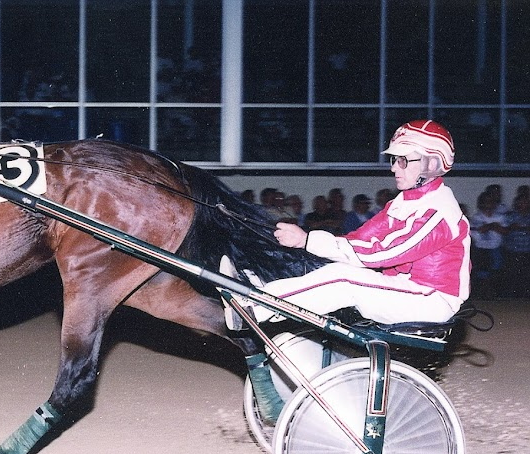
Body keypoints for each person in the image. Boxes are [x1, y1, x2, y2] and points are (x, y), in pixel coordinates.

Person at [226, 119, 470, 328]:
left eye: (404, 160)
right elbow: (361, 238)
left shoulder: (438, 212)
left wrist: (307, 240)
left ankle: (254, 310)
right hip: (409, 289)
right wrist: (309, 245)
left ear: (431, 163)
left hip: (432, 299)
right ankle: (261, 291)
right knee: (332, 267)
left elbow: (380, 253)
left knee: (344, 279)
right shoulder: (403, 202)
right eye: (394, 159)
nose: (394, 167)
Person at [469, 190, 506, 299]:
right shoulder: (476, 217)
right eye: (485, 202)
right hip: (481, 249)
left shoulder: (500, 217)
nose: (488, 204)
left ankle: (494, 296)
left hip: (495, 248)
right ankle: (482, 296)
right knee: (481, 273)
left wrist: (490, 226)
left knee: (495, 272)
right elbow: (479, 231)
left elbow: (504, 231)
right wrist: (493, 226)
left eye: (491, 202)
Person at [500, 186, 530, 299]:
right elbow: (503, 230)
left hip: (527, 251)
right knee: (512, 275)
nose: (523, 205)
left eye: (526, 202)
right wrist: (512, 227)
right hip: (512, 251)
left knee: (526, 276)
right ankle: (511, 298)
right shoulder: (510, 216)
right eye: (521, 202)